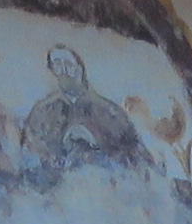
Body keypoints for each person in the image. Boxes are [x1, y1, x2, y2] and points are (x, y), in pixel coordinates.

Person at [18, 45, 152, 191]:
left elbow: (138, 158)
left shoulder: (109, 111)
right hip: (55, 200)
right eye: (57, 65)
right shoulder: (42, 111)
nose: (63, 71)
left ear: (80, 68)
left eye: (68, 64)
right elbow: (28, 158)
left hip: (106, 197)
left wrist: (96, 145)